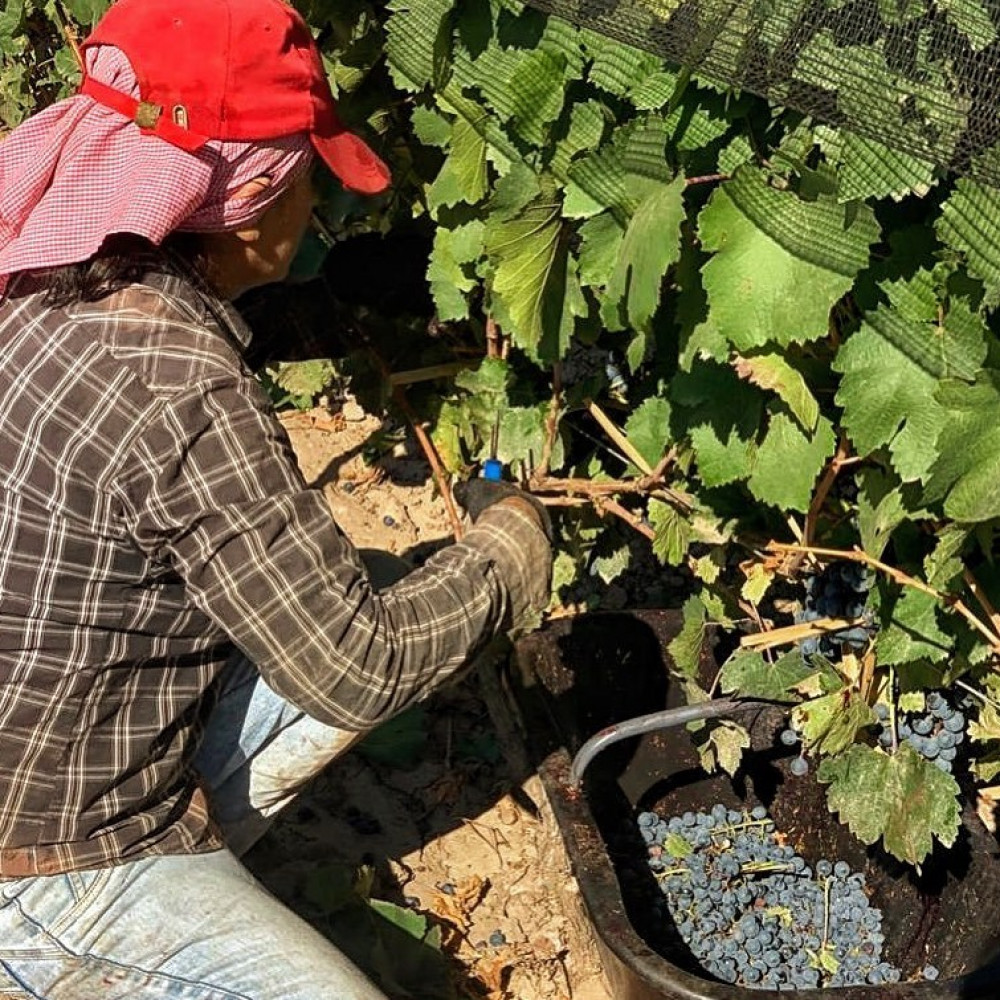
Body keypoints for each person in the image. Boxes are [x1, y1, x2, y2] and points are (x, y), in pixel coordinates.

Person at [0, 0, 553, 997]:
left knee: (352, 593)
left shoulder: (35, 259)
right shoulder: (177, 383)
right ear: (252, 193)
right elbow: (357, 664)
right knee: (373, 629)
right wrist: (502, 565)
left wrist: (324, 302)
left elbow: (126, 398)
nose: (319, 207)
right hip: (42, 870)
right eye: (310, 179)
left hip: (34, 749)